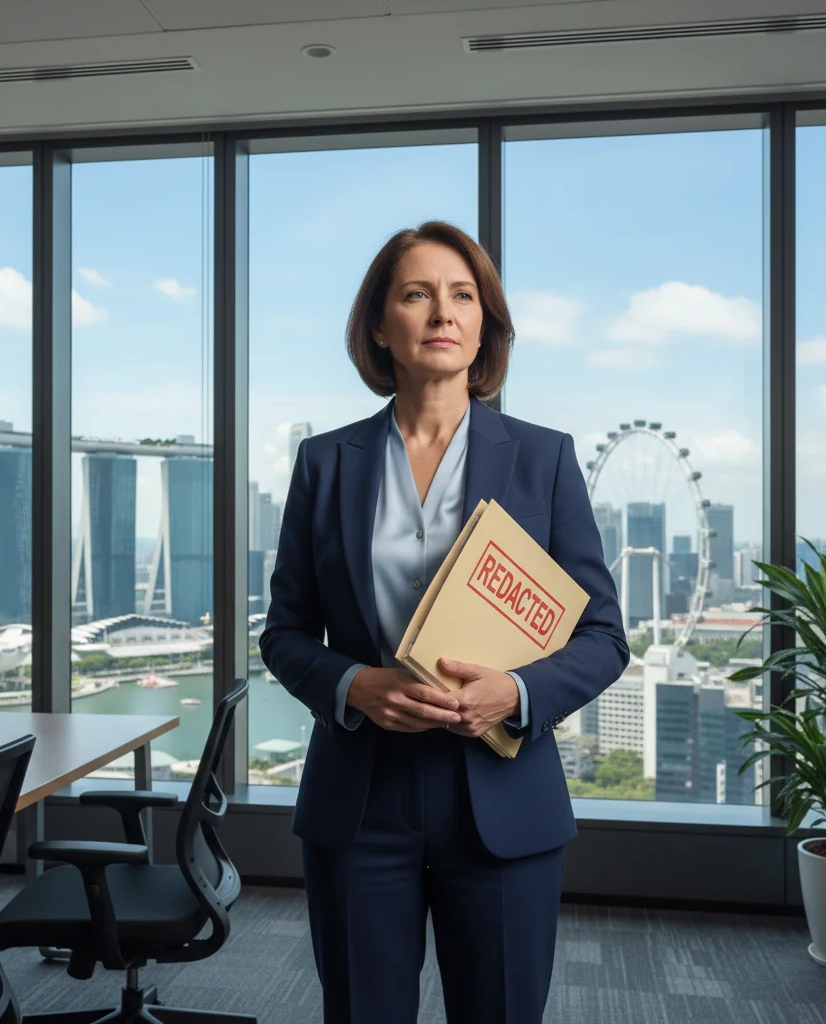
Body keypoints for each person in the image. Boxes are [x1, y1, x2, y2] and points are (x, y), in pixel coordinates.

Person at [259, 221, 629, 1024]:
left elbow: (604, 637)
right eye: (416, 294)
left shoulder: (545, 459)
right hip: (362, 797)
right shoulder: (325, 463)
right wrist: (354, 685)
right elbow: (283, 633)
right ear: (378, 325)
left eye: (463, 296)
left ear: (485, 324)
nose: (442, 313)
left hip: (501, 794)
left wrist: (516, 693)